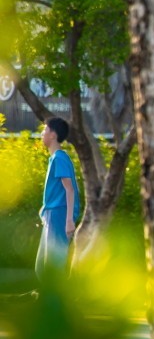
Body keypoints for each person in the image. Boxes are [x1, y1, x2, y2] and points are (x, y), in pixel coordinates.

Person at [36, 117, 81, 280]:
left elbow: (70, 190)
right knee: (42, 267)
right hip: (52, 213)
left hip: (60, 215)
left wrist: (69, 220)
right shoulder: (55, 158)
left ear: (53, 135)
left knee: (53, 266)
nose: (42, 133)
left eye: (45, 130)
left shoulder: (60, 158)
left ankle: (58, 302)